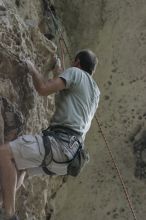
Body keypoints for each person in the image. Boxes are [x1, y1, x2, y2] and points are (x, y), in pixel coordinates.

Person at [0, 49, 100, 219]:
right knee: (20, 166)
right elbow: (65, 85)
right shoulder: (95, 92)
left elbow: (44, 89)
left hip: (58, 144)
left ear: (77, 63)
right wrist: (58, 67)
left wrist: (32, 68)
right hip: (70, 158)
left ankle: (8, 215)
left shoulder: (75, 73)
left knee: (4, 153)